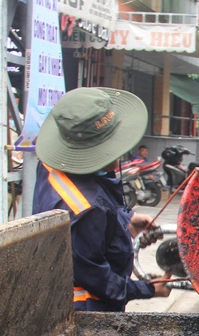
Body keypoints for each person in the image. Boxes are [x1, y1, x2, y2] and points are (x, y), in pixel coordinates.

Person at [34, 86, 172, 311]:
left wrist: (126, 219)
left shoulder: (51, 164)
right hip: (86, 312)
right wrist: (148, 289)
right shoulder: (87, 210)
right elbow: (100, 281)